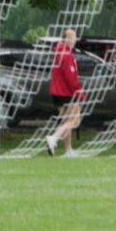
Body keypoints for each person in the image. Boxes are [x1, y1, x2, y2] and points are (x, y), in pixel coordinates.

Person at [46, 29, 84, 157]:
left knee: (66, 121)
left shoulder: (59, 52)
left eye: (75, 37)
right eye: (72, 37)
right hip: (66, 92)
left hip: (57, 92)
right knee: (74, 120)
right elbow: (70, 77)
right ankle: (54, 138)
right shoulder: (66, 55)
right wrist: (79, 91)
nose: (74, 40)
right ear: (65, 39)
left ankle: (68, 150)